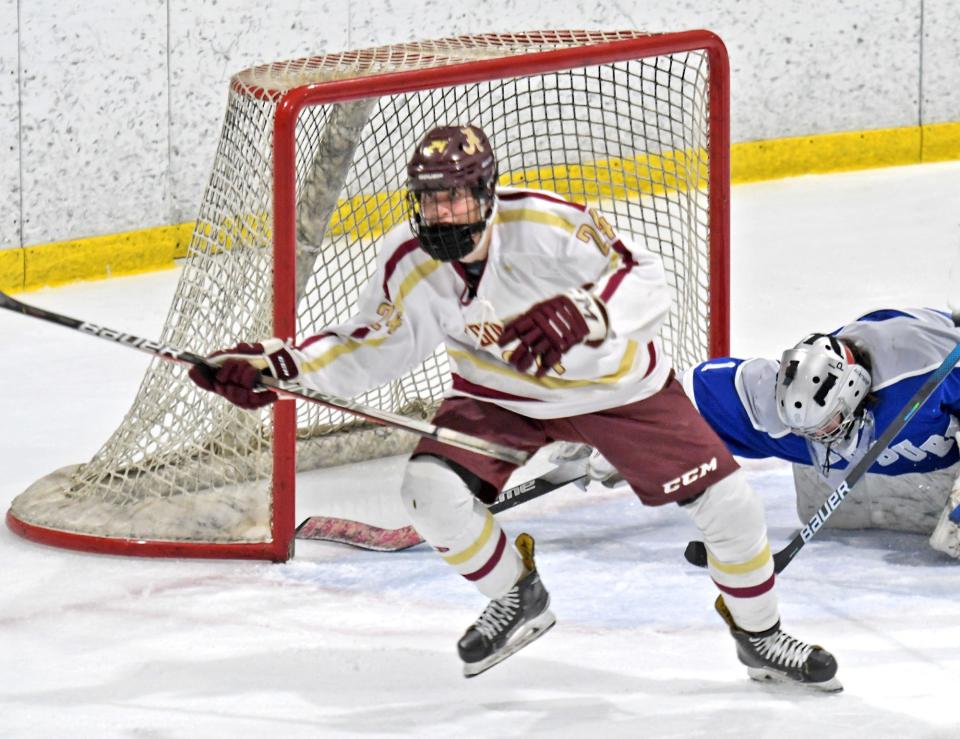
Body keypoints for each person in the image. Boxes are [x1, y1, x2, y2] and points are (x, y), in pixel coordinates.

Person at [189, 123, 840, 689]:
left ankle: (760, 636)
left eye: (456, 195)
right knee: (426, 488)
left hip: (616, 392)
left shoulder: (547, 226)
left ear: (486, 192)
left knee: (731, 506)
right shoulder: (406, 260)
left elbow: (647, 279)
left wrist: (586, 311)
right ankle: (516, 594)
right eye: (430, 200)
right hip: (497, 396)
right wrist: (281, 367)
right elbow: (373, 346)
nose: (443, 212)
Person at [677, 308, 960, 558]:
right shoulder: (775, 407)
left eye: (826, 426)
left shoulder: (922, 372)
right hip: (890, 467)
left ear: (852, 394)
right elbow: (672, 403)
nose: (819, 439)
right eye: (807, 431)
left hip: (940, 413)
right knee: (834, 503)